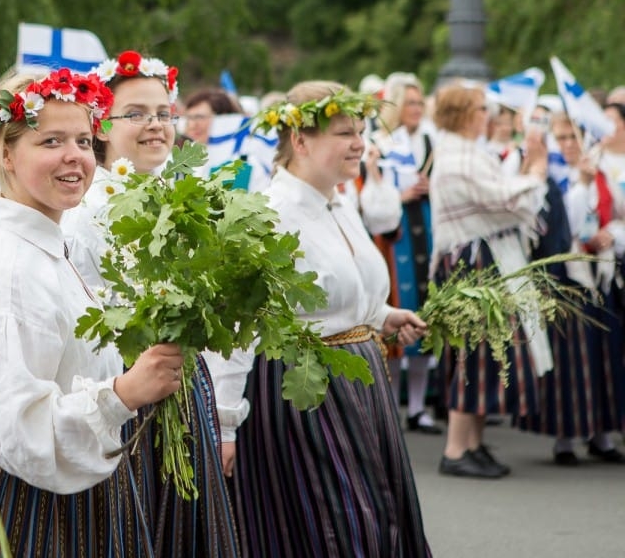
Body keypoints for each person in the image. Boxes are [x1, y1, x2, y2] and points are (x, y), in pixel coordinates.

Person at [0, 67, 186, 558]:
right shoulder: (9, 268)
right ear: (7, 154)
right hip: (37, 511)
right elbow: (21, 434)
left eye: (83, 140)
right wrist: (123, 392)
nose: (75, 156)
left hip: (81, 492)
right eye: (51, 141)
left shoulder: (46, 247)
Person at [231, 81, 431, 557]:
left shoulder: (341, 202)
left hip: (363, 382)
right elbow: (240, 324)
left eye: (360, 131)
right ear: (300, 140)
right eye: (345, 132)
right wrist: (222, 424)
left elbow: (345, 290)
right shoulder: (271, 212)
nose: (360, 143)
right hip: (306, 389)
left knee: (383, 513)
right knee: (341, 523)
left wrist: (382, 315)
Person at [62, 50, 242, 557]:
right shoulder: (83, 209)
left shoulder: (188, 196)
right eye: (136, 113)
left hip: (186, 383)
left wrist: (226, 415)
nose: (155, 125)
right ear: (101, 123)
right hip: (122, 388)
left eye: (164, 113)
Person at [429, 82, 549, 479]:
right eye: (482, 109)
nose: (489, 116)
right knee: (474, 354)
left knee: (487, 354)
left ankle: (473, 444)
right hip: (473, 263)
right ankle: (455, 448)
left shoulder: (466, 152)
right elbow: (505, 200)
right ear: (463, 114)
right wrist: (536, 170)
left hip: (484, 258)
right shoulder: (456, 156)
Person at [518, 111, 625, 464]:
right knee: (570, 359)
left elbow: (614, 217)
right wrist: (580, 185)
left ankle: (603, 435)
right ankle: (565, 437)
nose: (567, 145)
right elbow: (561, 228)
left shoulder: (602, 172)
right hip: (564, 276)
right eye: (561, 138)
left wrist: (611, 236)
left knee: (604, 353)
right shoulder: (551, 177)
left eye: (573, 137)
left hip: (600, 272)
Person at [376, 72, 441, 434]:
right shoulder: (383, 141)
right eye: (410, 103)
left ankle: (418, 407)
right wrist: (399, 197)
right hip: (395, 232)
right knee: (398, 314)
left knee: (424, 316)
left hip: (427, 226)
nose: (416, 109)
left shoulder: (431, 140)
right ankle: (392, 404)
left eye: (420, 103)